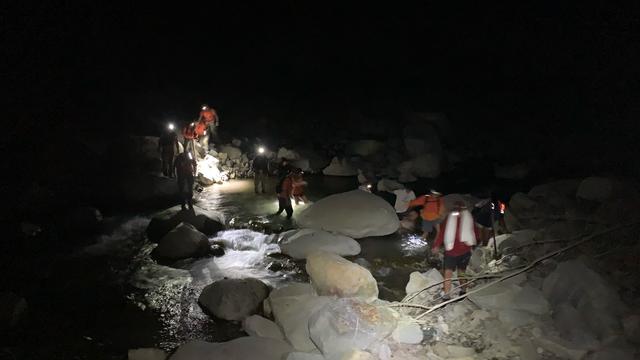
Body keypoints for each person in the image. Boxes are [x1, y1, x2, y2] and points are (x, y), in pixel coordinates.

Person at [431, 201, 477, 300]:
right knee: (448, 273)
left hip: (464, 252)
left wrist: (473, 245)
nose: (459, 212)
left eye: (461, 209)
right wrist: (436, 245)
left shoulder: (469, 219)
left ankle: (463, 291)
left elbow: (474, 232)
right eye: (457, 209)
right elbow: (442, 232)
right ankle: (447, 296)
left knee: (461, 273)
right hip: (451, 252)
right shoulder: (449, 218)